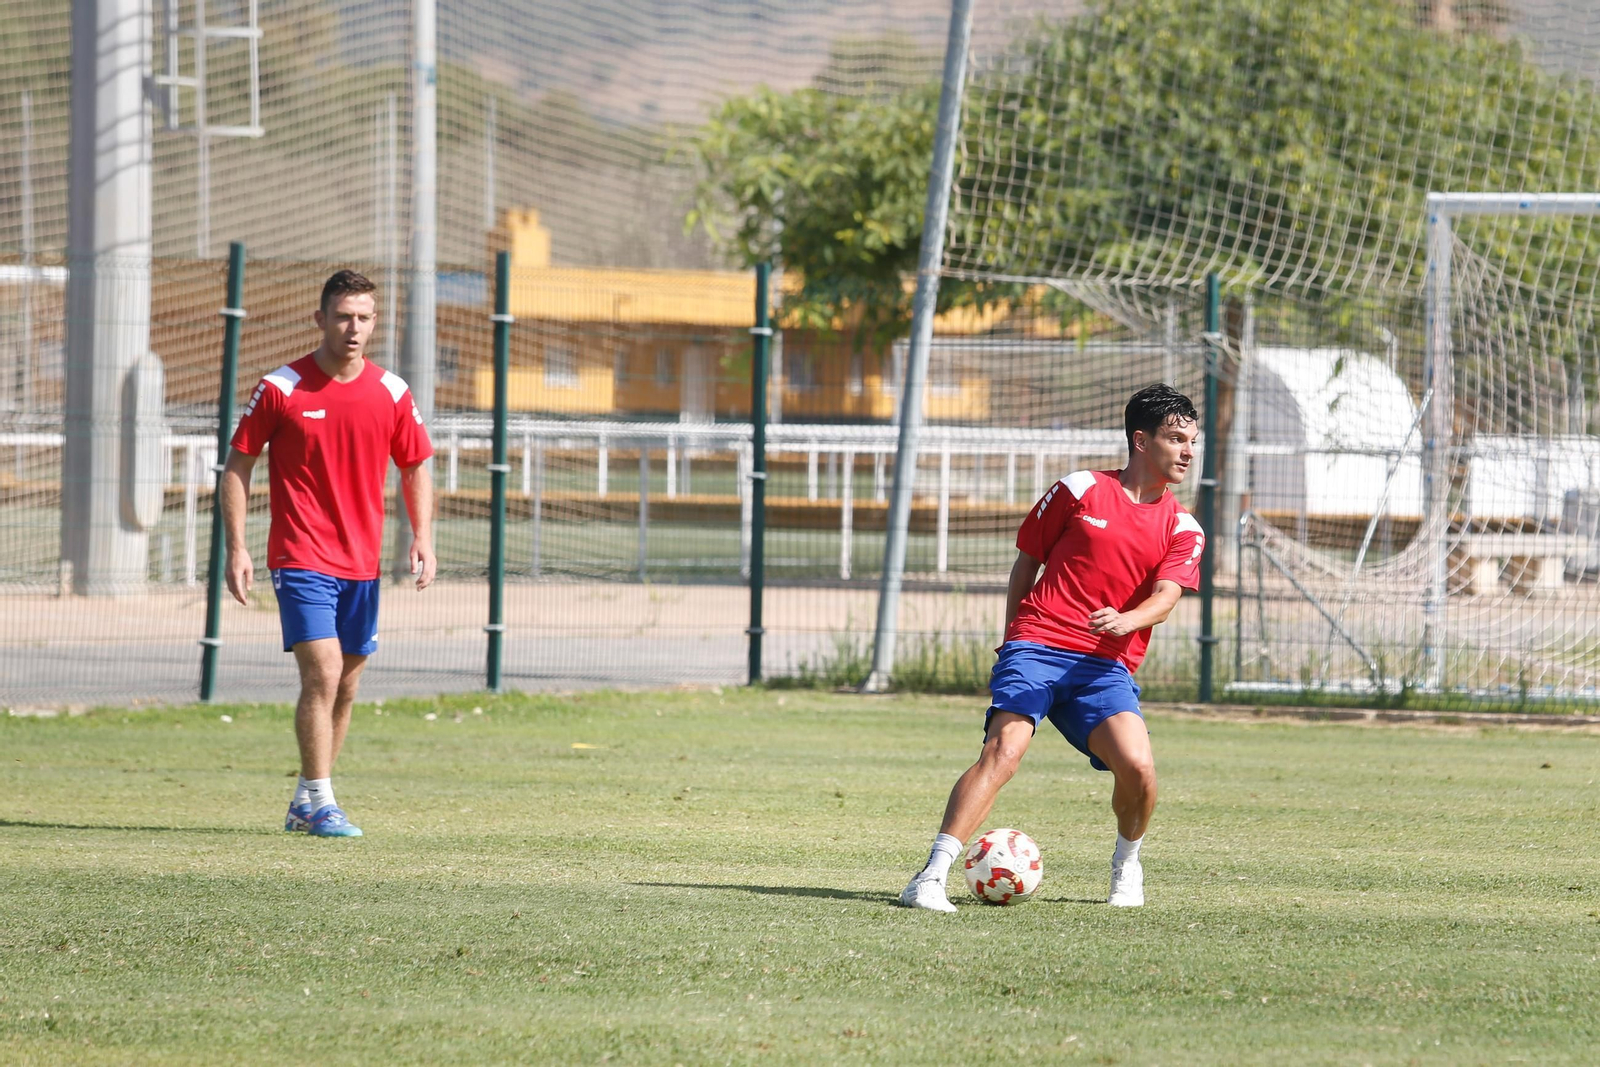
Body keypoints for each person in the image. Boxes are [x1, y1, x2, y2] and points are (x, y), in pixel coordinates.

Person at [899, 384, 1205, 911]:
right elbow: (1027, 564)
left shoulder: (1183, 525)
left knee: (1139, 769)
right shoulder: (1079, 489)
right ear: (1140, 440)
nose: (1187, 451)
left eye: (1191, 441)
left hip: (1105, 665)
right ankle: (929, 877)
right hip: (1038, 643)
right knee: (1004, 752)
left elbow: (1166, 599)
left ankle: (1126, 866)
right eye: (1175, 438)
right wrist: (1014, 637)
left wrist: (1123, 621)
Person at [221, 270, 436, 838]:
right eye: (343, 316)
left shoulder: (392, 392)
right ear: (320, 319)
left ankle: (307, 800)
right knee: (323, 672)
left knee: (346, 685)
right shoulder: (282, 387)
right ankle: (320, 802)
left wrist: (422, 536)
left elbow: (415, 465)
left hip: (361, 563)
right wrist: (237, 547)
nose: (354, 328)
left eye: (364, 317)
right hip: (300, 554)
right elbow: (238, 463)